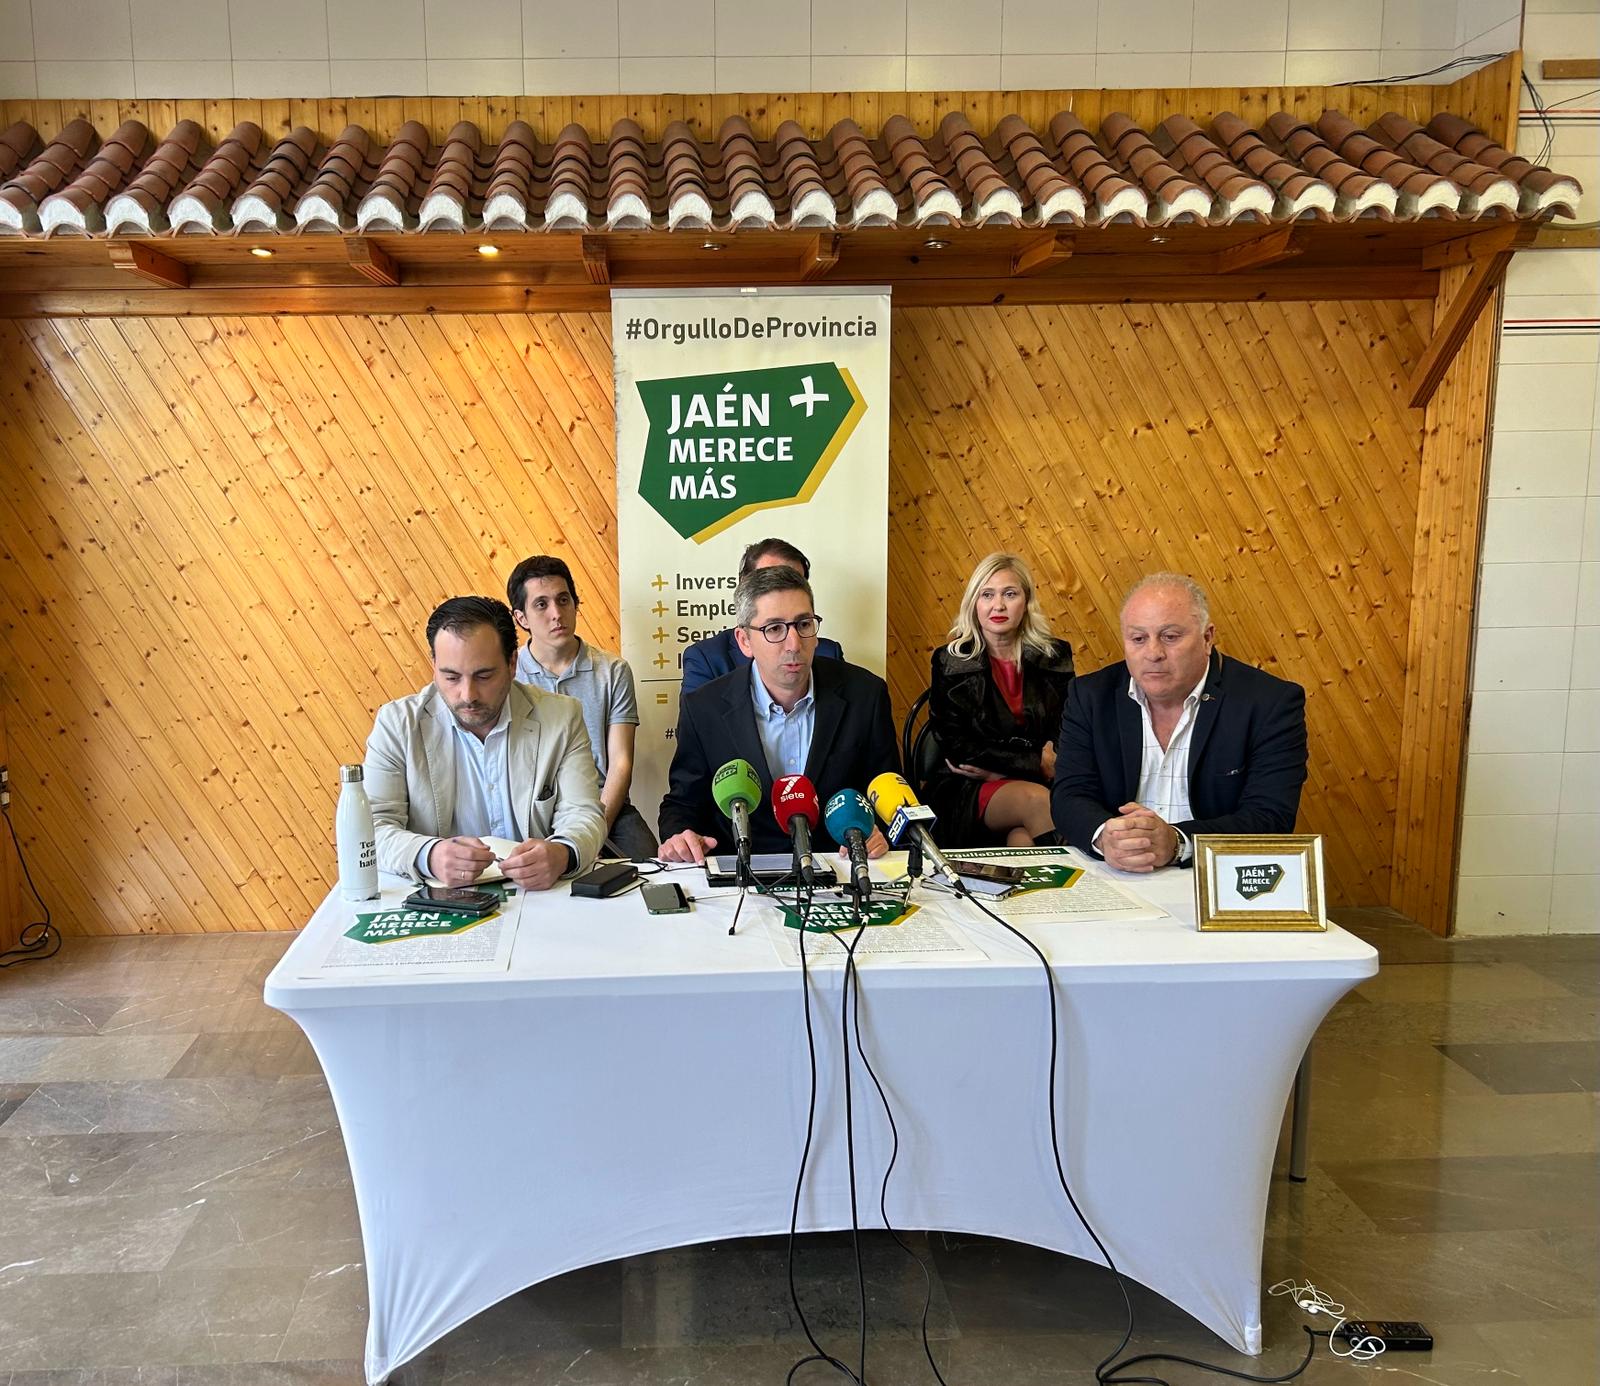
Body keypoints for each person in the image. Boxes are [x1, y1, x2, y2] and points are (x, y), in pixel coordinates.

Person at [1051, 573, 1307, 872]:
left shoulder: (1269, 703)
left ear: (1207, 638)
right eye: (1138, 638)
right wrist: (1105, 837)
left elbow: (1270, 816)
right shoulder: (1091, 696)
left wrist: (1177, 842)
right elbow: (1069, 793)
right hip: (1114, 872)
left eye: (1170, 637)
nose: (1153, 653)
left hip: (1214, 876)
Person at [658, 564, 898, 863]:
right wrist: (679, 836)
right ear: (744, 641)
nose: (794, 644)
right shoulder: (704, 707)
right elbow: (682, 803)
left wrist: (879, 833)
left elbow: (887, 791)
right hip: (742, 873)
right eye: (774, 629)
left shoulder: (866, 694)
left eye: (804, 624)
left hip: (840, 868)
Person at [364, 596, 606, 889]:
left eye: (484, 675)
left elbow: (583, 813)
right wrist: (429, 855)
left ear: (512, 663)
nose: (468, 695)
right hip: (440, 898)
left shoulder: (561, 717)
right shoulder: (397, 725)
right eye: (451, 677)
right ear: (434, 666)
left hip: (536, 895)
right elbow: (371, 830)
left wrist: (563, 853)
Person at [506, 555, 658, 861]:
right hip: (532, 805)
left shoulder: (612, 670)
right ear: (521, 618)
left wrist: (593, 830)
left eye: (564, 600)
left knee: (650, 863)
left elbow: (620, 764)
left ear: (576, 604)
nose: (556, 613)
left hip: (601, 802)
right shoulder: (509, 674)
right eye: (541, 604)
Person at [923, 553, 1074, 847]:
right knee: (1037, 802)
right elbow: (956, 743)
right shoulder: (951, 660)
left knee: (1023, 839)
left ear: (1026, 602)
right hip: (966, 788)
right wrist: (1032, 763)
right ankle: (1084, 891)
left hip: (1037, 782)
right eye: (987, 595)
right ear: (974, 604)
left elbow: (1067, 729)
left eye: (1010, 594)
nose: (998, 605)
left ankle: (1045, 895)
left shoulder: (1054, 656)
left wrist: (1002, 768)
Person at [679, 537, 845, 693]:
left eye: (794, 581)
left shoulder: (829, 653)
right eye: (767, 582)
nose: (783, 592)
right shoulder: (705, 658)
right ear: (744, 589)